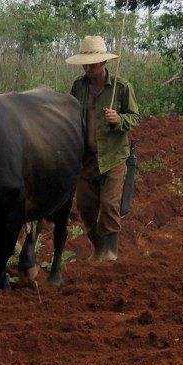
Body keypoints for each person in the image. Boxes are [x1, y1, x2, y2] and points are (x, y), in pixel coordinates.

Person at [66, 35, 141, 261]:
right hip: (86, 159)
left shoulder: (121, 87)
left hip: (113, 157)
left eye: (93, 63)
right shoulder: (78, 87)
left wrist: (118, 119)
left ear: (103, 63)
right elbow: (71, 115)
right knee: (86, 209)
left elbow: (135, 118)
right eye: (85, 64)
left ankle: (110, 252)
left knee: (109, 205)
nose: (88, 68)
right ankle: (98, 247)